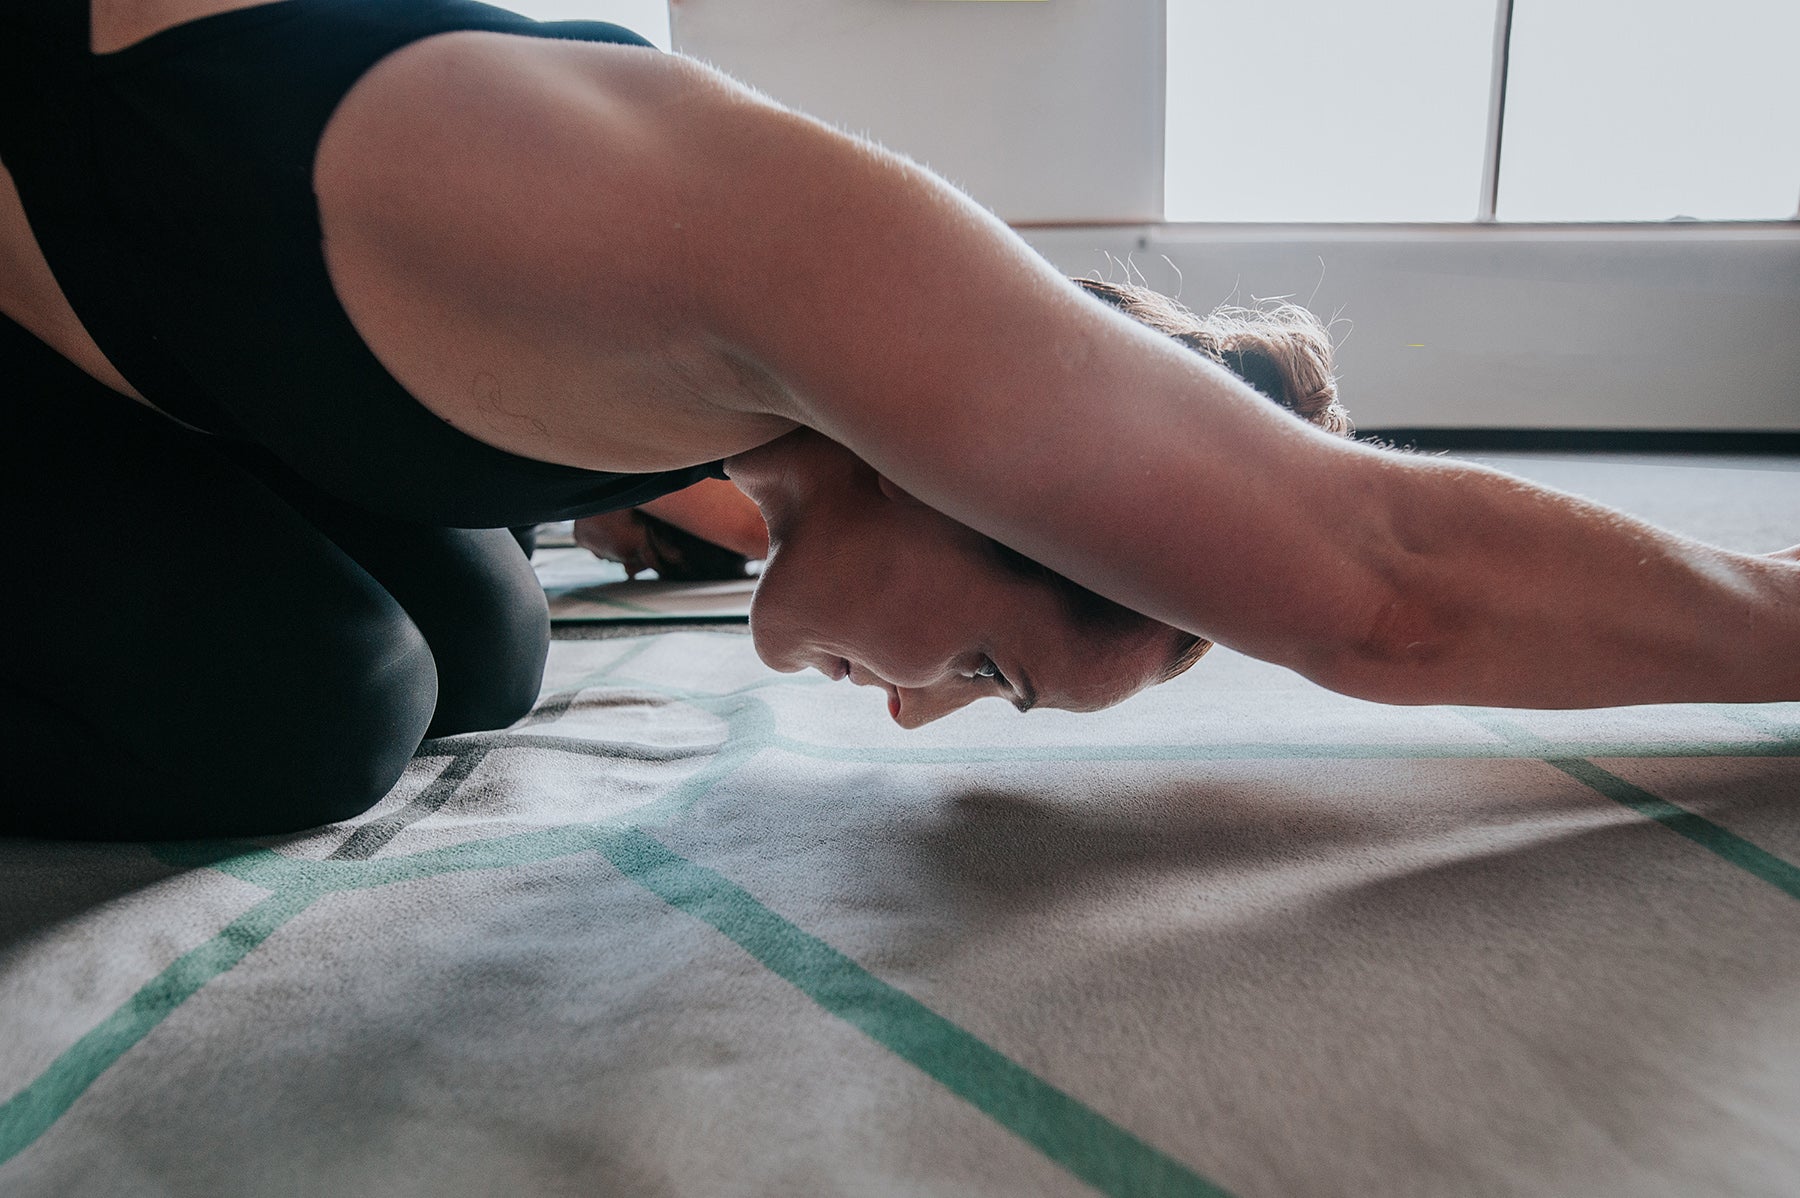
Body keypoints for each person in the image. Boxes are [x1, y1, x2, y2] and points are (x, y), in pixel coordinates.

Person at [2, 0, 1795, 840]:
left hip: (154, 314)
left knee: (487, 641)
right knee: (323, 704)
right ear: (998, 472)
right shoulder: (792, 252)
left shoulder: (744, 402)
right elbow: (1389, 584)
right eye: (996, 669)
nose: (923, 709)